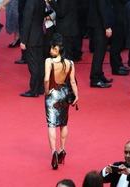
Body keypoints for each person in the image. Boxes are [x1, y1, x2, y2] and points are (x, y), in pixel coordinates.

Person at [44, 33, 78, 170]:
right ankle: (62, 149)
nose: (49, 51)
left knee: (52, 125)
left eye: (51, 48)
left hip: (53, 95)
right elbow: (72, 82)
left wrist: (46, 91)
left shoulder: (49, 61)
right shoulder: (70, 63)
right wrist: (77, 96)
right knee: (63, 123)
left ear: (56, 48)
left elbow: (47, 79)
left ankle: (54, 153)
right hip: (64, 95)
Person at [19, 0, 45, 97]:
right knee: (40, 64)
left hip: (31, 38)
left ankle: (34, 90)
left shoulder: (30, 2)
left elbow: (27, 22)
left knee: (33, 65)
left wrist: (23, 40)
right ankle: (41, 88)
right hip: (39, 36)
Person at [88, 0, 114, 88]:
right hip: (100, 25)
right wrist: (107, 26)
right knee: (99, 52)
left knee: (101, 51)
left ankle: (99, 74)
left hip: (99, 24)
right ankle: (95, 79)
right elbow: (102, 8)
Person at [109, 0, 130, 76]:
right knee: (116, 43)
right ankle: (116, 67)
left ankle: (118, 64)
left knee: (119, 43)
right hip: (116, 18)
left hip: (120, 17)